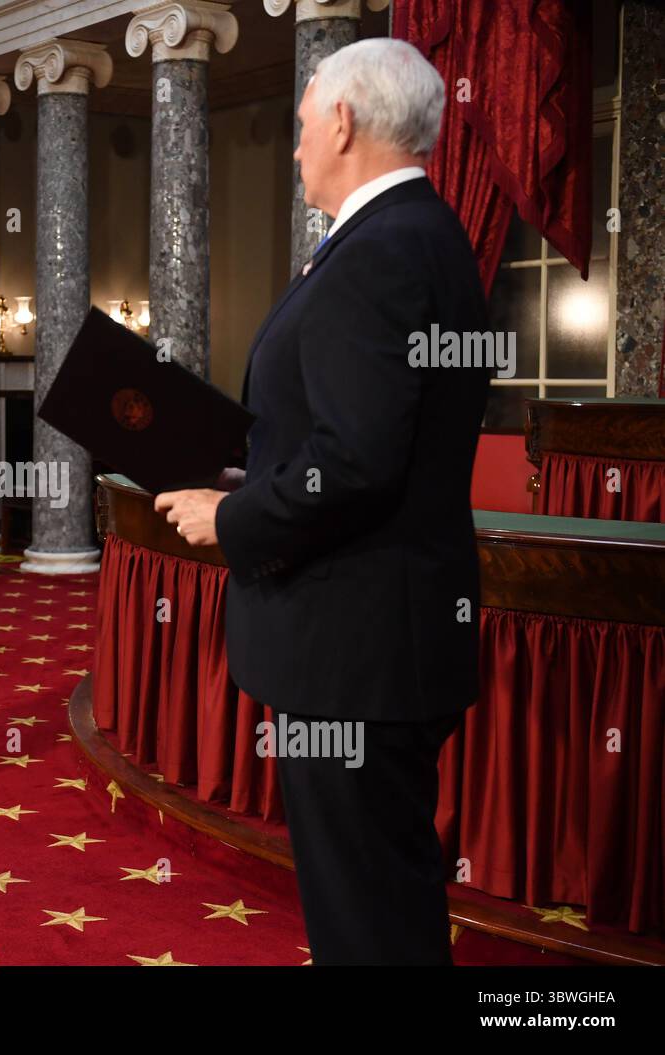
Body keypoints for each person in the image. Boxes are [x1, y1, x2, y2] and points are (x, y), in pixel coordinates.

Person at [155, 39, 490, 964]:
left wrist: (233, 518)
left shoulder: (379, 252)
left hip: (358, 647)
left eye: (301, 128)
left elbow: (358, 460)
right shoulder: (423, 232)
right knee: (384, 893)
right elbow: (363, 438)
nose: (296, 148)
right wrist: (252, 476)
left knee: (366, 914)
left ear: (342, 120)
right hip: (385, 635)